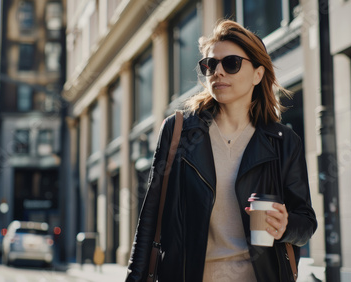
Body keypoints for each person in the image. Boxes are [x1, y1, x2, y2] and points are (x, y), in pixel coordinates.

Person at [126, 19, 317, 282]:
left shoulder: (284, 141)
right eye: (210, 65)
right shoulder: (178, 132)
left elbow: (306, 222)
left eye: (231, 63)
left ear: (258, 75)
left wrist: (285, 227)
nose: (218, 72)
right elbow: (149, 217)